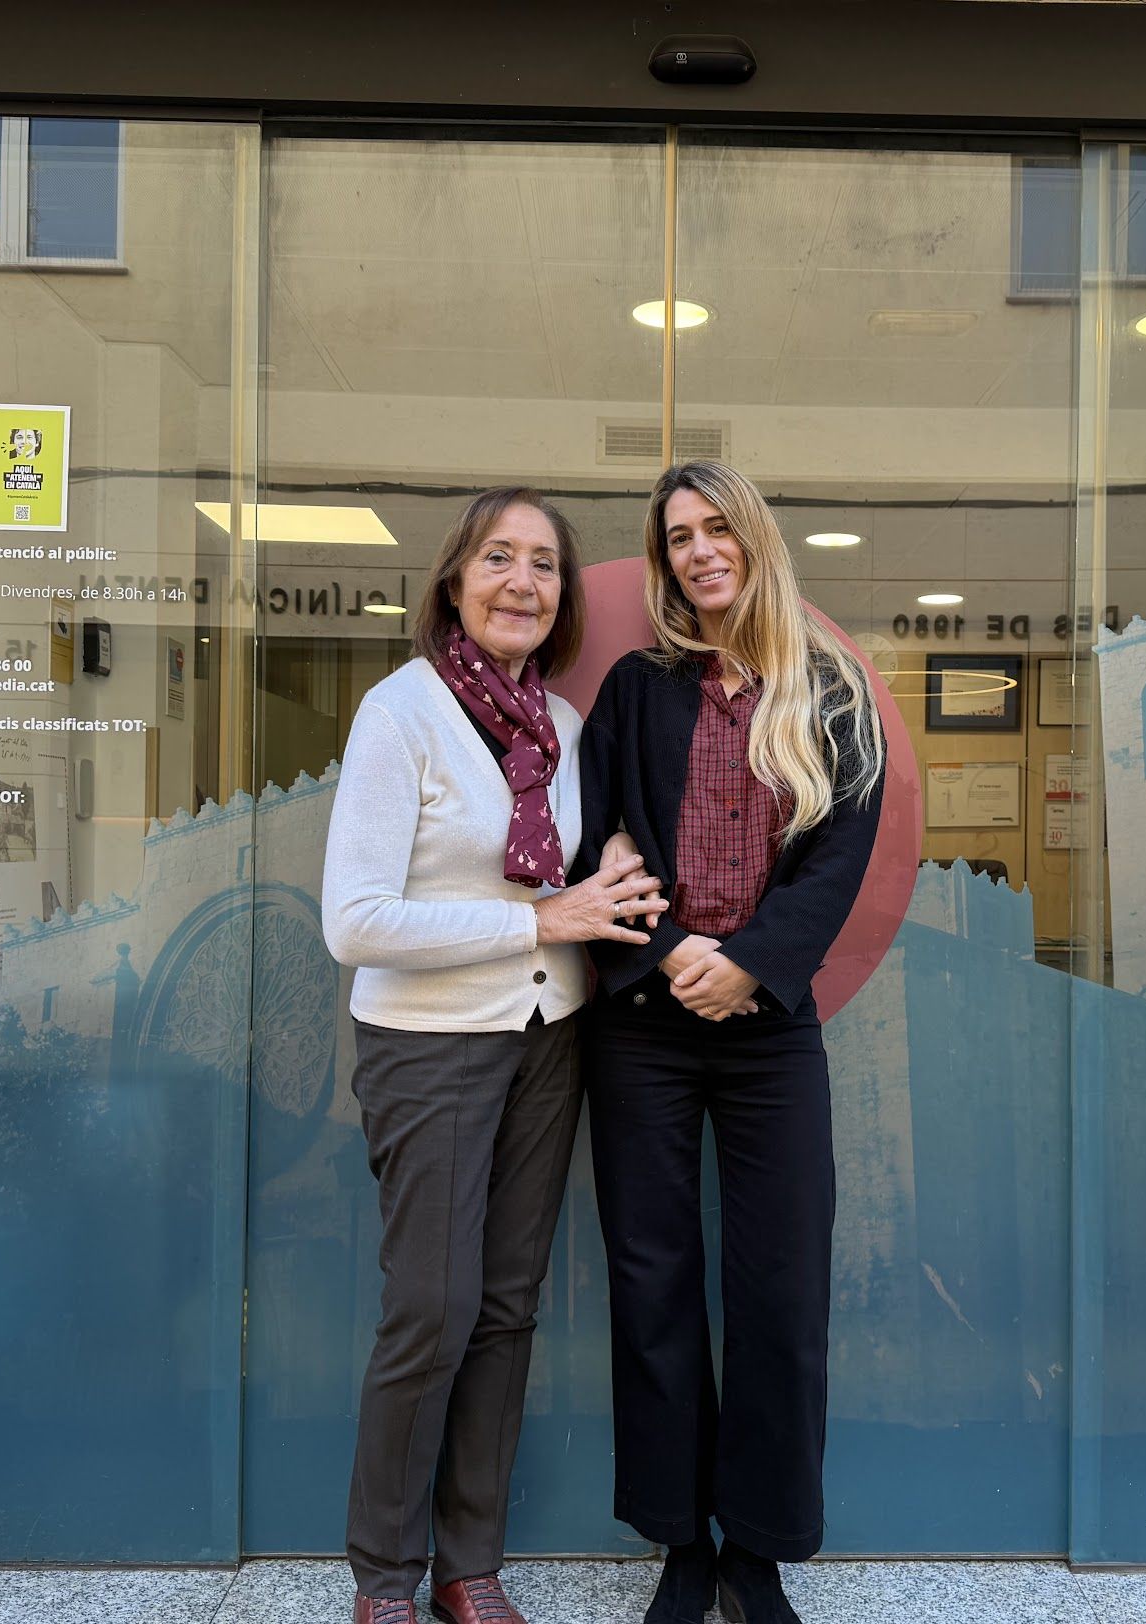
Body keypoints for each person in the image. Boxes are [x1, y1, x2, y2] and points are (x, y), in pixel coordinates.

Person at [322, 487, 668, 1624]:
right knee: (432, 1304)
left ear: (563, 596)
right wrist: (544, 921)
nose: (523, 582)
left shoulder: (561, 730)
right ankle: (384, 1578)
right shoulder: (400, 714)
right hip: (428, 1048)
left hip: (546, 1040)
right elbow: (355, 921)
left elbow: (587, 884)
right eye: (499, 558)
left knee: (509, 1306)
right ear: (455, 579)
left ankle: (471, 1564)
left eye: (545, 565)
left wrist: (608, 895)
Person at [575, 461, 886, 1624]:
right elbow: (590, 840)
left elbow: (839, 860)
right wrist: (663, 959)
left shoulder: (833, 693)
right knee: (653, 1281)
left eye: (717, 530)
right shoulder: (636, 689)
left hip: (770, 1033)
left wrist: (750, 959)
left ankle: (755, 1546)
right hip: (646, 1028)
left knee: (780, 1285)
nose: (700, 551)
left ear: (754, 539)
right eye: (678, 539)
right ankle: (680, 1543)